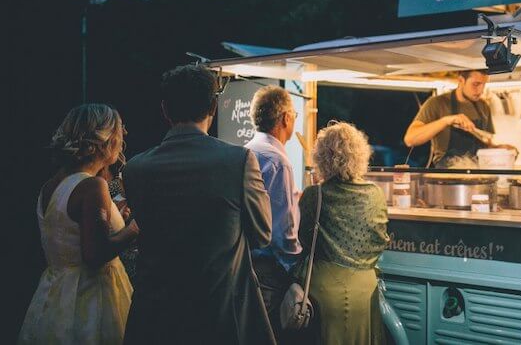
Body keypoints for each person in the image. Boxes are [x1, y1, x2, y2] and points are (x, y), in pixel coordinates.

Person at [122, 65, 276, 345]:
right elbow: (263, 234)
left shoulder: (135, 168)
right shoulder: (238, 161)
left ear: (165, 110)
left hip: (154, 317)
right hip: (219, 316)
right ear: (213, 107)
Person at [19, 104, 139, 345]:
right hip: (92, 300)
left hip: (56, 295)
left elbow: (73, 232)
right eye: (118, 130)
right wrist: (134, 228)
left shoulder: (51, 186)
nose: (122, 136)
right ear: (104, 140)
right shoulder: (92, 186)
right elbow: (95, 254)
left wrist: (119, 221)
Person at [298, 122, 390, 345]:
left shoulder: (314, 194)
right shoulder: (376, 194)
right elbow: (380, 242)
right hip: (365, 293)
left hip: (321, 292)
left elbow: (304, 240)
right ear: (361, 155)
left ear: (321, 157)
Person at [244, 85, 302, 335]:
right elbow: (282, 230)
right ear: (286, 118)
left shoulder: (244, 150)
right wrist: (296, 268)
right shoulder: (278, 161)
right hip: (270, 272)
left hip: (245, 265)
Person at [404, 69, 512, 167]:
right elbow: (410, 139)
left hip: (477, 174)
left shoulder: (483, 106)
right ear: (461, 80)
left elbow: (485, 143)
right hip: (448, 175)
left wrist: (499, 150)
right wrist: (446, 121)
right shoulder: (437, 103)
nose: (480, 91)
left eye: (483, 85)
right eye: (476, 84)